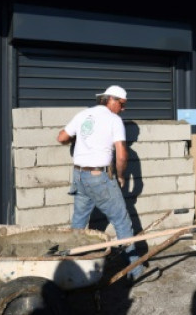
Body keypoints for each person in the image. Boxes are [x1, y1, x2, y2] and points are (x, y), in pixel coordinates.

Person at [57, 85, 144, 280]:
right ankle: (135, 270)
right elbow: (122, 154)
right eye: (122, 104)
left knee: (79, 221)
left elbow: (61, 137)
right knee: (122, 221)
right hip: (99, 177)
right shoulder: (114, 120)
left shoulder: (83, 115)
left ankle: (72, 264)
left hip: (79, 176)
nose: (123, 109)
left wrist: (76, 141)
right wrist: (121, 176)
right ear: (111, 100)